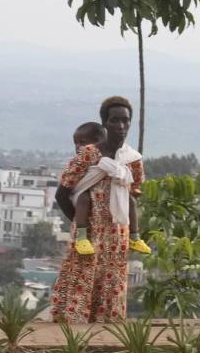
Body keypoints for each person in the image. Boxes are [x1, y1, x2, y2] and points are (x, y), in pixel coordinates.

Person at [50, 96, 145, 322]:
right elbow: (62, 194)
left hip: (117, 237)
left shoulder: (132, 159)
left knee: (111, 283)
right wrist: (80, 223)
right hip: (88, 236)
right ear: (105, 123)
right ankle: (71, 330)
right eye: (114, 120)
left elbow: (133, 193)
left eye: (125, 120)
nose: (121, 126)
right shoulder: (88, 155)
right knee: (81, 279)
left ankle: (106, 330)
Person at [68, 122, 151, 257]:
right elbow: (71, 185)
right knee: (84, 198)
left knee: (130, 201)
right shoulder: (82, 160)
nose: (78, 147)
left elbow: (125, 177)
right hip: (84, 197)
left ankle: (134, 236)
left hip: (111, 204)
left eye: (82, 143)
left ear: (99, 142)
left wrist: (131, 187)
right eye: (75, 143)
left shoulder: (120, 158)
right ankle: (81, 237)